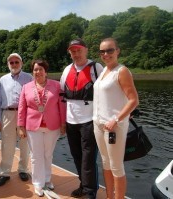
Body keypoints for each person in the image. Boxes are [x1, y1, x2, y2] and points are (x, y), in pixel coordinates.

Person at [93, 38, 139, 199]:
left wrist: (116, 119)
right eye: (102, 51)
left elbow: (134, 100)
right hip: (99, 125)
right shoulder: (104, 72)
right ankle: (109, 197)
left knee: (116, 166)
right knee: (105, 163)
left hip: (114, 126)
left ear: (117, 51)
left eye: (110, 50)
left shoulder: (122, 71)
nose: (106, 54)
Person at [60, 38, 104, 199]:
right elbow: (61, 95)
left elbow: (106, 92)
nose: (76, 54)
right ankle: (83, 185)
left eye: (79, 50)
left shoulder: (96, 68)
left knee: (88, 159)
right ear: (70, 53)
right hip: (71, 122)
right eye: (73, 51)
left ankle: (91, 191)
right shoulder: (67, 70)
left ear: (86, 50)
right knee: (77, 156)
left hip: (89, 122)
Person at [17, 59, 66, 197]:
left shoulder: (57, 86)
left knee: (48, 155)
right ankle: (38, 183)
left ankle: (47, 179)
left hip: (52, 126)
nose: (38, 72)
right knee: (36, 156)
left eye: (40, 69)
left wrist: (63, 123)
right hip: (33, 126)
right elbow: (22, 108)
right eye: (35, 69)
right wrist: (21, 126)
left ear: (46, 71)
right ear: (32, 72)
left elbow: (61, 106)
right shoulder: (26, 87)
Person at [0, 53, 33, 186]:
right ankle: (4, 172)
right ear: (8, 64)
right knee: (7, 144)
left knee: (24, 144)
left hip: (25, 115)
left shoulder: (29, 77)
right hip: (8, 113)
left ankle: (23, 169)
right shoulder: (3, 79)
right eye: (11, 62)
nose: (14, 65)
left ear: (21, 63)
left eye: (16, 62)